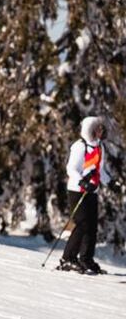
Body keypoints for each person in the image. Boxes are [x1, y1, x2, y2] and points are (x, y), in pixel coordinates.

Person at [58, 116, 111, 274]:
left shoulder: (100, 146)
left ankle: (86, 259)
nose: (101, 131)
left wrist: (110, 182)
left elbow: (100, 170)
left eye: (102, 128)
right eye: (98, 128)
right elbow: (71, 169)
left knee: (92, 226)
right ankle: (68, 259)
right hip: (77, 191)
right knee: (82, 224)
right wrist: (82, 182)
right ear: (90, 130)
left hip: (92, 191)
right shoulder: (80, 146)